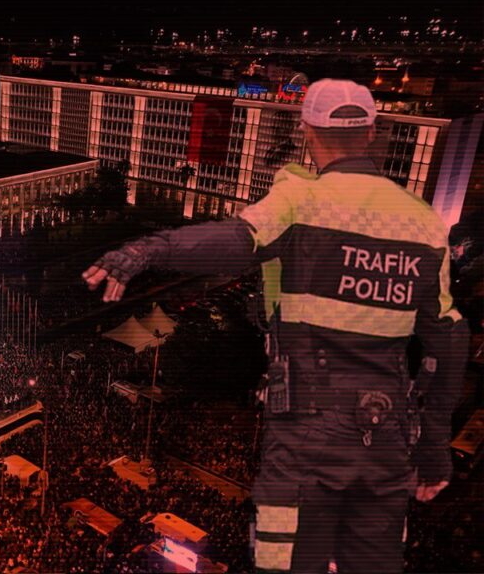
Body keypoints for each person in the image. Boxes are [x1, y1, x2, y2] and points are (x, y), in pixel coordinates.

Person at [82, 79, 468, 573]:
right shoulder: (423, 222)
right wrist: (434, 449)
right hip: (385, 439)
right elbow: (450, 340)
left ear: (308, 132)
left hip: (307, 432)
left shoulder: (301, 202)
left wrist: (147, 250)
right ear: (372, 134)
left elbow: (230, 240)